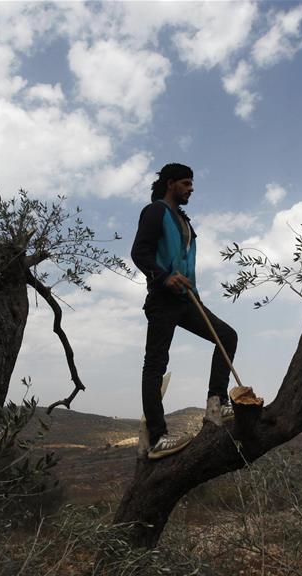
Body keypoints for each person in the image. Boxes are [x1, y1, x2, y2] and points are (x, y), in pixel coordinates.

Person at [131, 163, 238, 460]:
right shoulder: (155, 212)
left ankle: (216, 405)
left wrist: (196, 298)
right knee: (155, 364)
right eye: (186, 183)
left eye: (192, 184)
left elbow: (185, 262)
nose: (191, 188)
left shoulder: (184, 221)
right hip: (163, 298)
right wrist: (164, 276)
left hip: (188, 300)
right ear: (170, 184)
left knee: (227, 337)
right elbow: (139, 252)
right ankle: (157, 437)